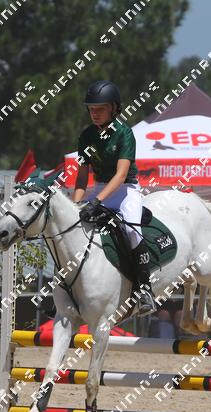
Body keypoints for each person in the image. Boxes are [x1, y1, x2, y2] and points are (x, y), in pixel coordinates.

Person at [73, 80, 156, 315]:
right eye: (91, 109)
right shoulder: (86, 136)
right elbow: (82, 177)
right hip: (99, 189)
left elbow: (120, 176)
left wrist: (96, 201)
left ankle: (145, 290)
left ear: (113, 108)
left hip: (125, 191)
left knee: (131, 231)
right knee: (74, 230)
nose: (94, 113)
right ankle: (67, 290)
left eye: (99, 109)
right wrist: (76, 204)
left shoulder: (124, 133)